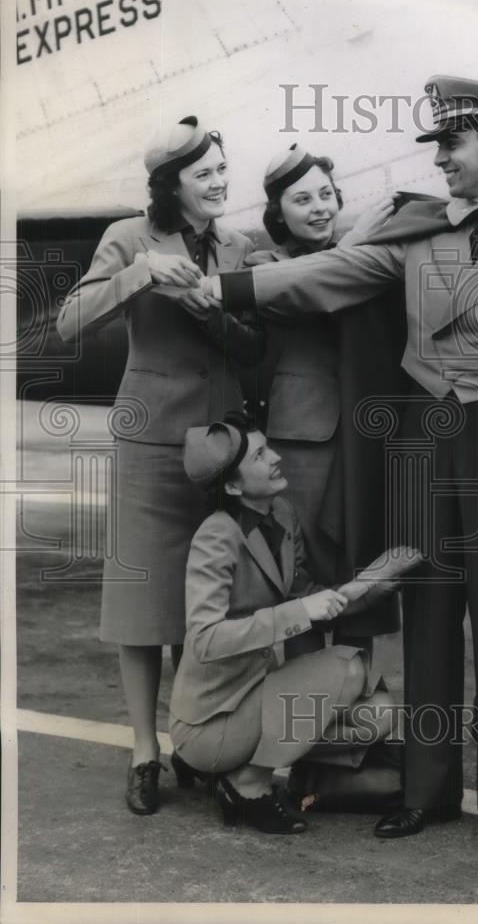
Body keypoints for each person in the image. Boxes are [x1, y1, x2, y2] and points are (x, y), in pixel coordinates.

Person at [192, 75, 478, 860]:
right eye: (437, 144)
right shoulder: (417, 232)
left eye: (452, 144)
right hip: (423, 443)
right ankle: (426, 793)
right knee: (425, 623)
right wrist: (224, 285)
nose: (439, 159)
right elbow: (324, 275)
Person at [56, 116, 262, 815]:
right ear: (170, 185)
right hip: (149, 442)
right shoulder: (128, 239)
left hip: (223, 446)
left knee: (207, 604)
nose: (219, 183)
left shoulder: (240, 245)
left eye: (222, 171)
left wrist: (209, 307)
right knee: (142, 606)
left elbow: (253, 346)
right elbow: (69, 322)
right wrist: (143, 275)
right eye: (204, 174)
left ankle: (192, 741)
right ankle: (144, 753)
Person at [168, 417, 415, 834]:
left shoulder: (282, 514)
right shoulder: (216, 535)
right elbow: (206, 640)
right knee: (347, 667)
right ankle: (247, 786)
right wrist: (300, 613)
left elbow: (304, 594)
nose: (277, 457)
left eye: (269, 448)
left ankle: (237, 770)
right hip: (212, 721)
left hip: (255, 698)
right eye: (261, 456)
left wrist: (368, 585)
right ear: (232, 487)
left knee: (377, 715)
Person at [246, 147, 402, 656]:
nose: (319, 207)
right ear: (277, 213)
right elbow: (303, 296)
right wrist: (356, 243)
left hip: (366, 432)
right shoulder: (263, 264)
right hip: (302, 437)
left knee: (362, 566)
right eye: (302, 198)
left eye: (327, 195)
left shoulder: (364, 252)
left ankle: (357, 704)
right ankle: (311, 714)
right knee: (303, 570)